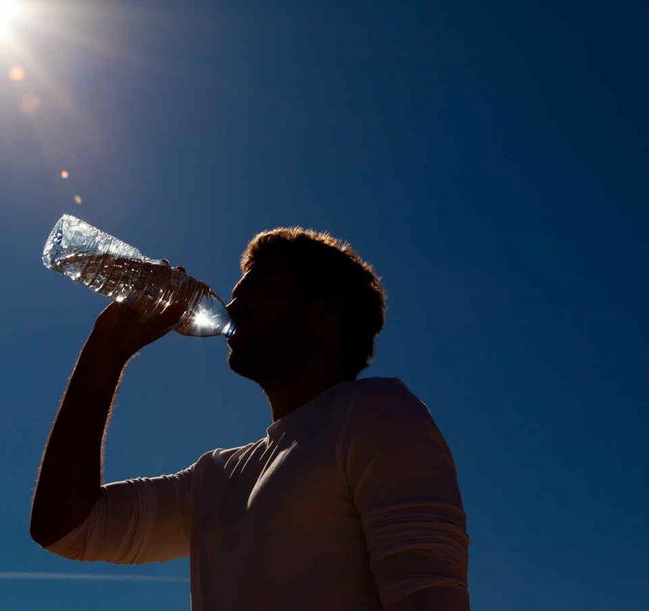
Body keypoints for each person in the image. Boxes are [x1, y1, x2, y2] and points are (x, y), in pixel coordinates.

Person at [30, 227, 469, 611]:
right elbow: (67, 528)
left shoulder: (376, 413)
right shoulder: (216, 478)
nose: (233, 309)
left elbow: (429, 597)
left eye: (262, 293)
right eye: (236, 296)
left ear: (324, 313)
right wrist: (107, 348)